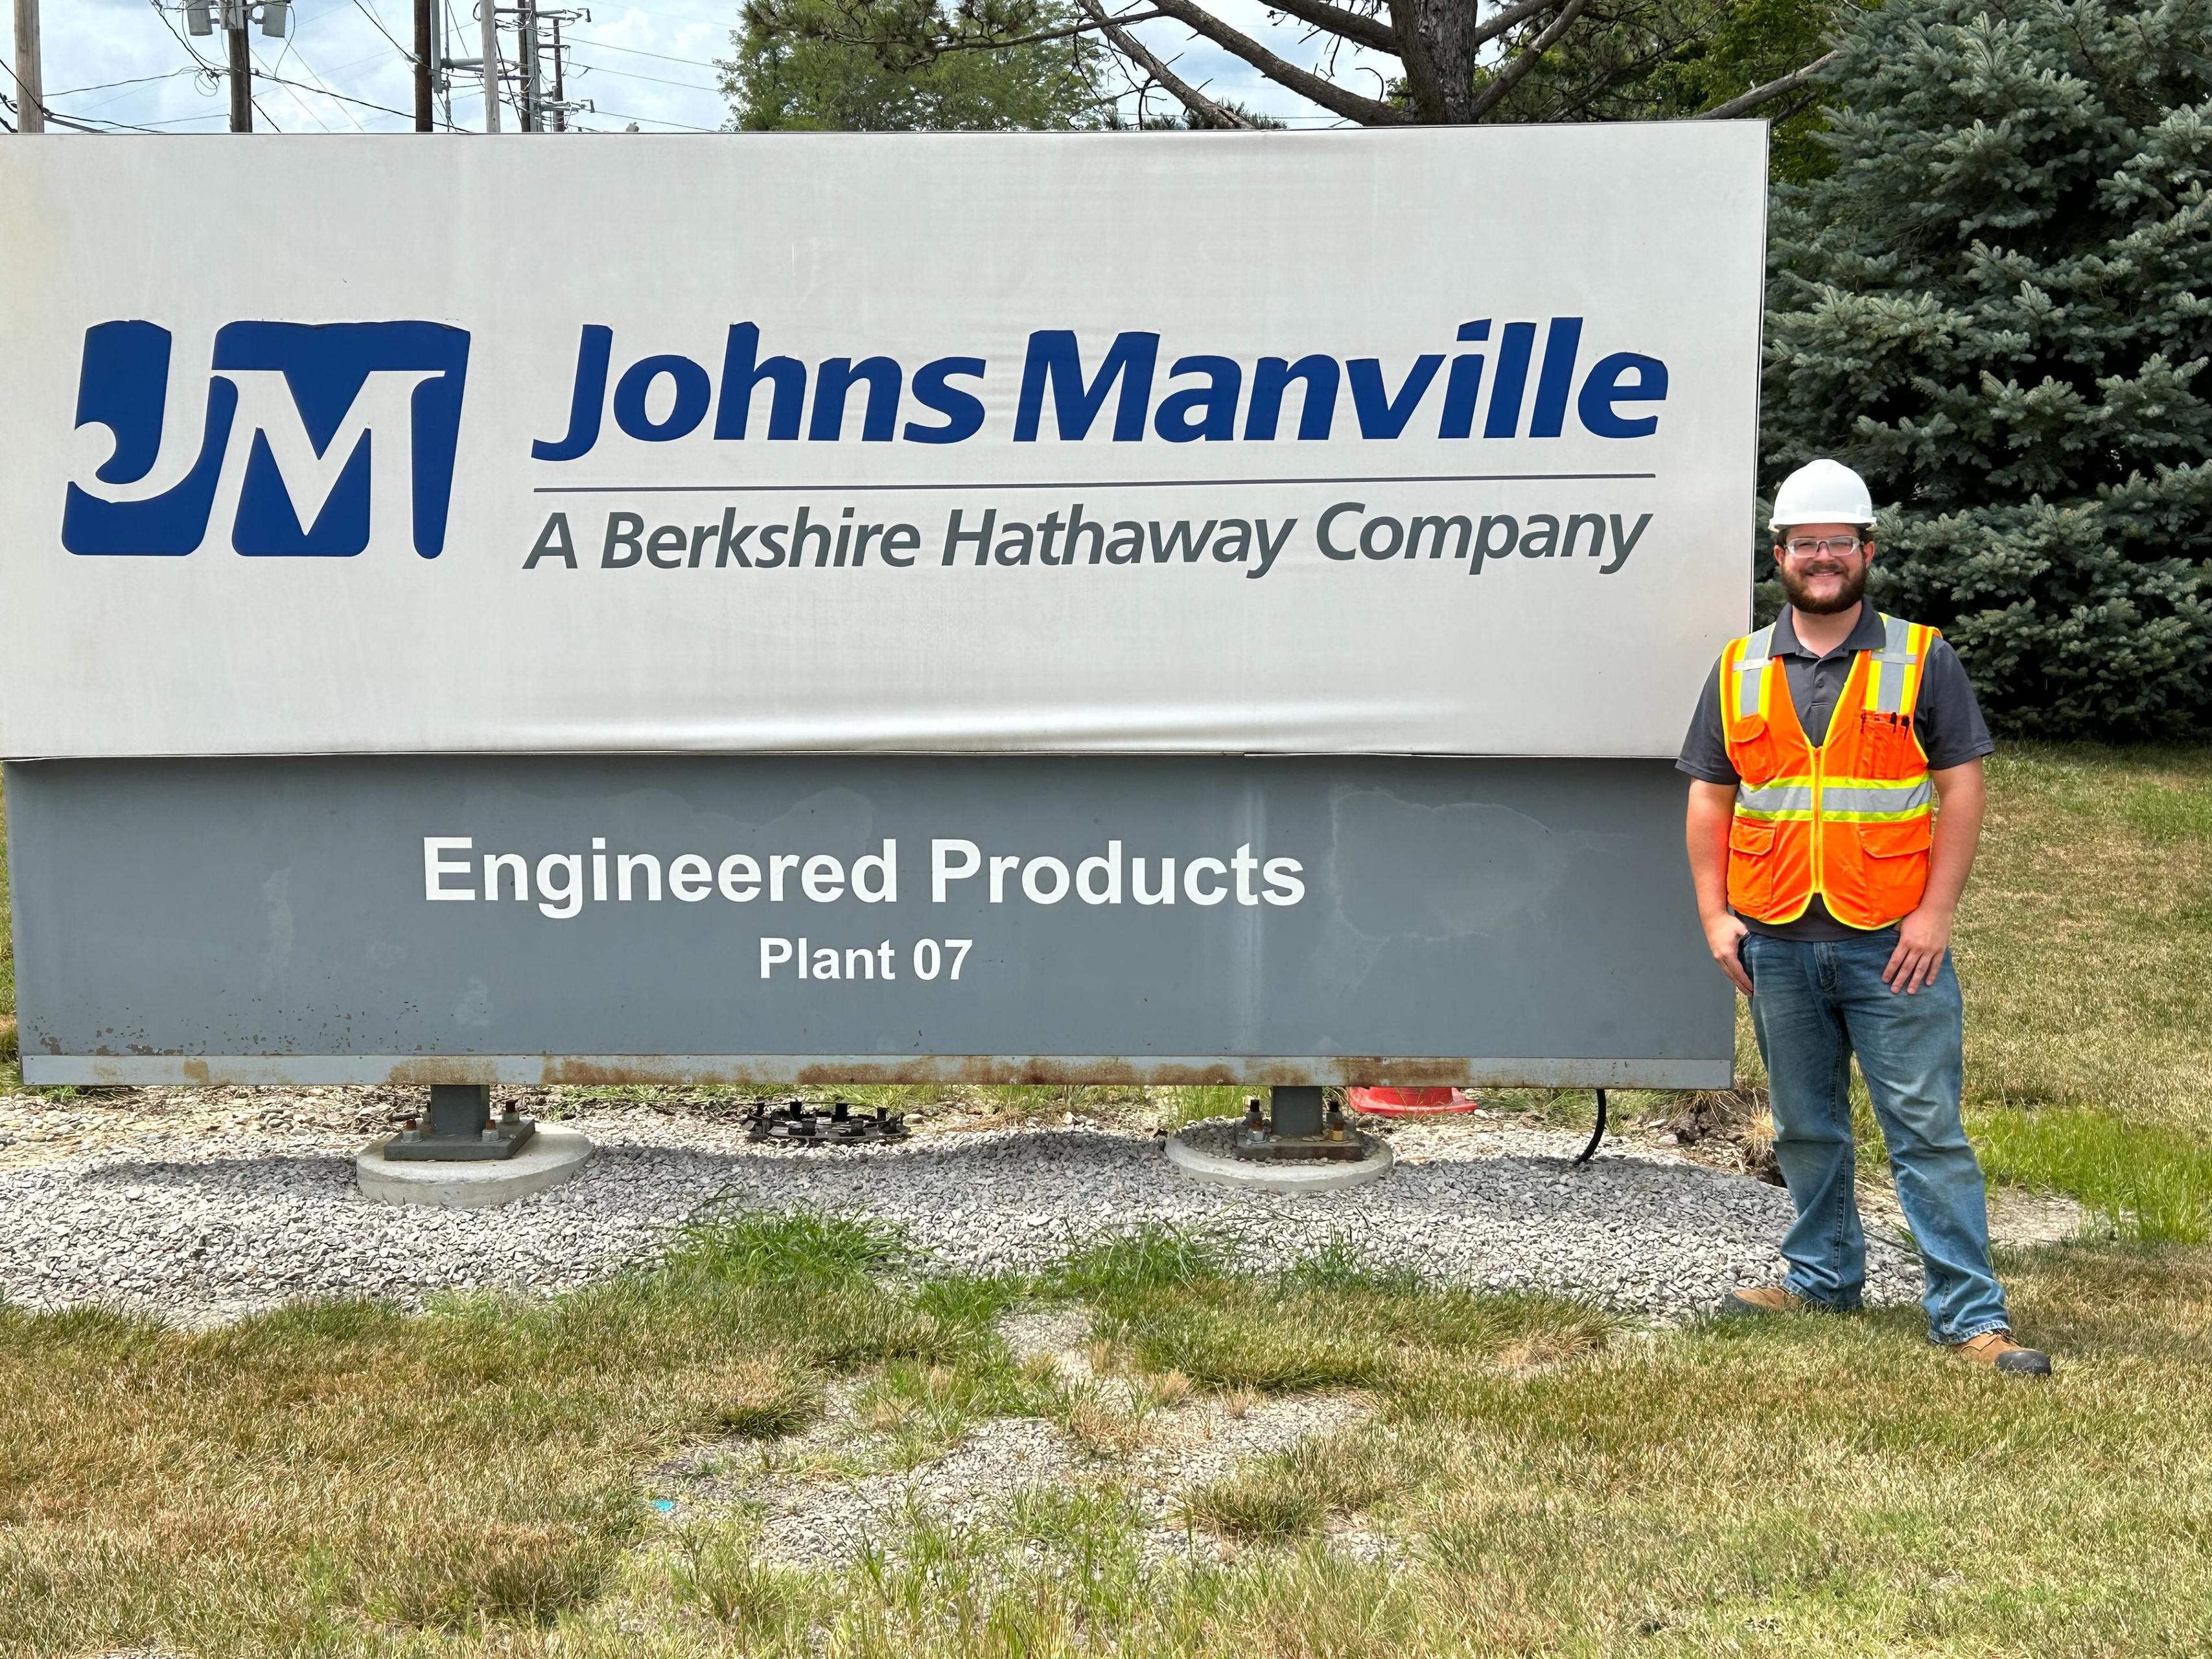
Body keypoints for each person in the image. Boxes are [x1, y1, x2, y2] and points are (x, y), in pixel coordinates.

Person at [1677, 458, 2050, 1376]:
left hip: (1893, 945)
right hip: (1774, 938)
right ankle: (1821, 1277)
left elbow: (1959, 787)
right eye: (1805, 544)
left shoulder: (1921, 658)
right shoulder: (1738, 667)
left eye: (1837, 543)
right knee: (1805, 1125)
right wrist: (1714, 918)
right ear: (1780, 556)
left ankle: (1969, 1318)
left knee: (1924, 1129)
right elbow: (1709, 799)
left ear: (1865, 551)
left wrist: (1934, 915)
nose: (1821, 559)